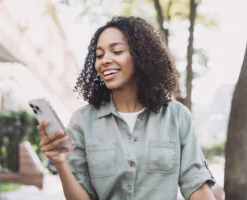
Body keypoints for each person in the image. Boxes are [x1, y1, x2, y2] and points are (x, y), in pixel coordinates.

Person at [37, 16, 216, 200]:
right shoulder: (83, 121)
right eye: (99, 55)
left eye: (117, 51)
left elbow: (196, 186)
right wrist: (60, 162)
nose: (105, 60)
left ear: (140, 56)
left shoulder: (177, 116)